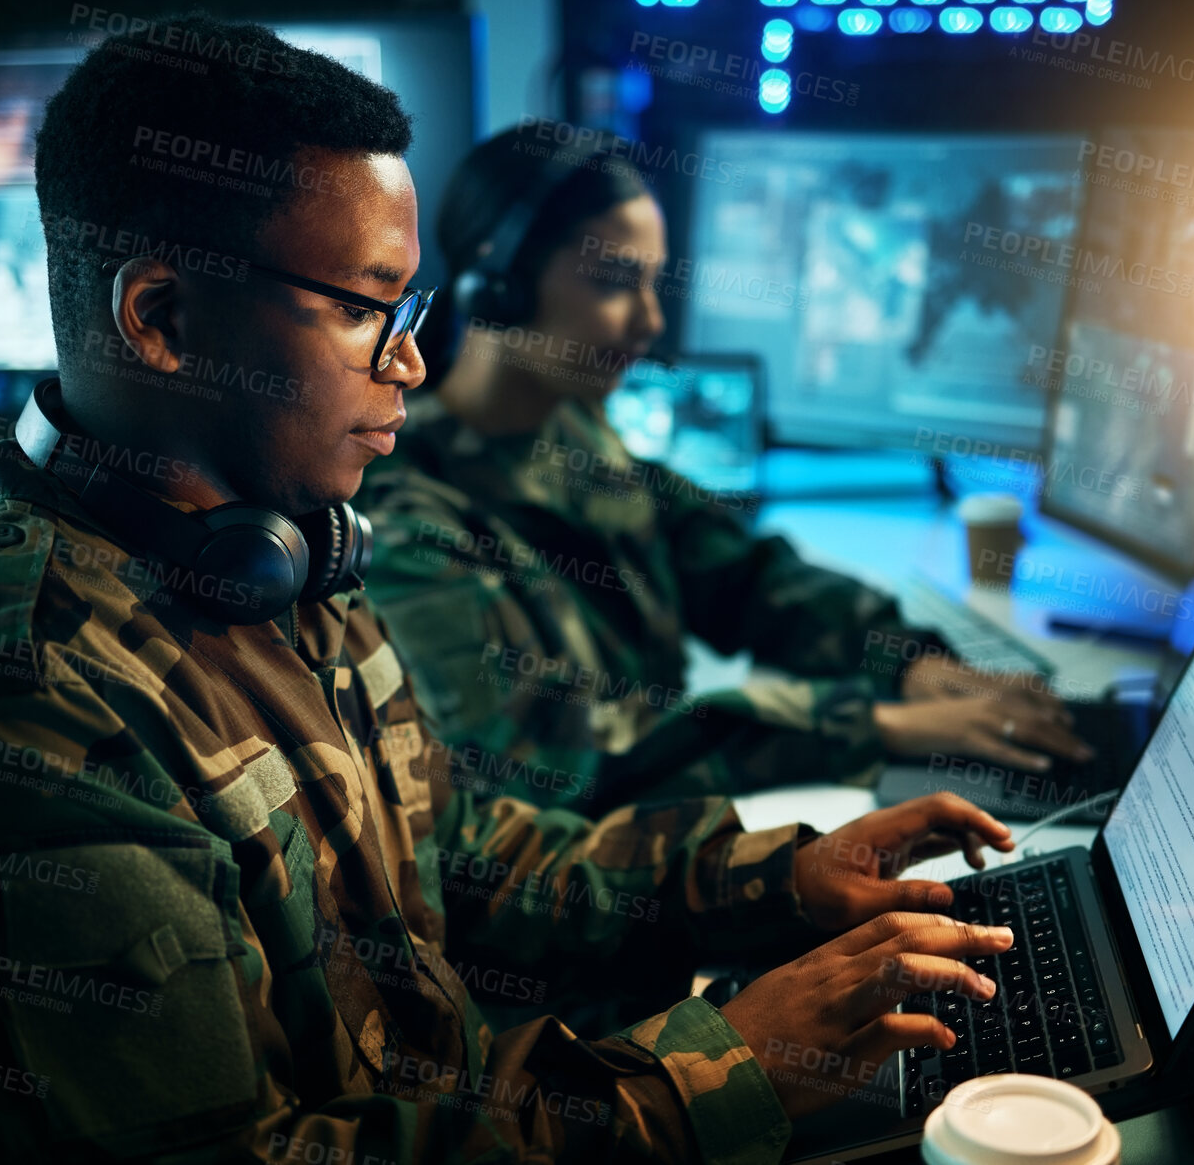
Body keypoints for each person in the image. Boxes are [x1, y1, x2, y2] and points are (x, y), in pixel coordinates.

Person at [0, 21, 1019, 1164]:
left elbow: (456, 852)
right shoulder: (25, 725)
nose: (411, 358)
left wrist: (771, 883)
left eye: (408, 305)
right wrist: (712, 1074)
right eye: (364, 309)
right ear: (166, 320)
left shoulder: (277, 550)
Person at [356, 124, 1093, 819]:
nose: (650, 323)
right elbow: (574, 765)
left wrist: (908, 662)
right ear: (500, 282)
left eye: (652, 283)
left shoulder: (571, 425)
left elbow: (741, 575)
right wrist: (876, 726)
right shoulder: (404, 517)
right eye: (615, 282)